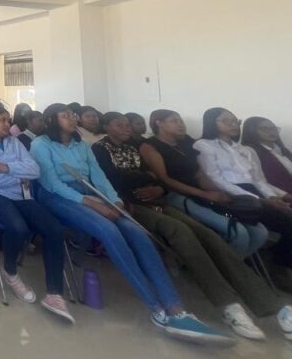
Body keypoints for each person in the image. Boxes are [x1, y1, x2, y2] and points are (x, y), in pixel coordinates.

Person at [31, 103, 230, 344]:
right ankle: (156, 309)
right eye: (65, 116)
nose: (73, 119)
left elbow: (99, 177)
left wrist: (114, 201)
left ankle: (176, 308)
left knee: (137, 233)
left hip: (93, 194)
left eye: (73, 115)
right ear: (52, 120)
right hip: (58, 198)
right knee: (109, 231)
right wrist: (95, 205)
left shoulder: (81, 145)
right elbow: (52, 184)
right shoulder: (40, 144)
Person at [93, 112, 292, 341]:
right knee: (182, 233)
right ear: (106, 126)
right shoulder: (100, 148)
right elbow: (112, 179)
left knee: (209, 236)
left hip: (159, 199)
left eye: (128, 124)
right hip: (128, 205)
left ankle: (274, 307)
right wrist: (145, 180)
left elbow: (157, 178)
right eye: (120, 124)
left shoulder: (135, 145)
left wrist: (157, 187)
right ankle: (229, 305)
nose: (127, 127)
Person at [0, 102, 73, 322]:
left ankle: (54, 293)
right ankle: (10, 271)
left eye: (8, 119)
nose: (8, 124)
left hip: (17, 195)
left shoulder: (13, 142)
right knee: (18, 227)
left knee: (54, 229)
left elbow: (34, 170)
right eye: (2, 120)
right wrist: (17, 174)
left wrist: (5, 168)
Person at [139, 109, 269, 260]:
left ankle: (233, 267)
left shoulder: (186, 141)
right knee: (238, 233)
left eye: (181, 120)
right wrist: (204, 194)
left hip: (202, 192)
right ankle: (228, 272)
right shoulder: (150, 146)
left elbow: (200, 173)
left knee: (260, 233)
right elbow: (165, 179)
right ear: (159, 123)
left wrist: (218, 192)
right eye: (174, 121)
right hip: (175, 195)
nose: (181, 124)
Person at [194, 107, 292, 283]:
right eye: (226, 121)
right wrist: (261, 200)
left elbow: (259, 180)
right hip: (231, 195)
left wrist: (271, 197)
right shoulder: (203, 145)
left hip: (255, 193)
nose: (233, 124)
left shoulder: (246, 150)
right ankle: (279, 267)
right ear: (212, 123)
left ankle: (277, 261)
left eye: (235, 121)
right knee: (288, 223)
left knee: (286, 214)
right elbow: (216, 180)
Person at [242, 116, 292, 193]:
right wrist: (283, 195)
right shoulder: (250, 151)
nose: (271, 132)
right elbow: (258, 180)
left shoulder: (283, 150)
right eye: (264, 129)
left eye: (273, 128)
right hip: (280, 196)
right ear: (251, 131)